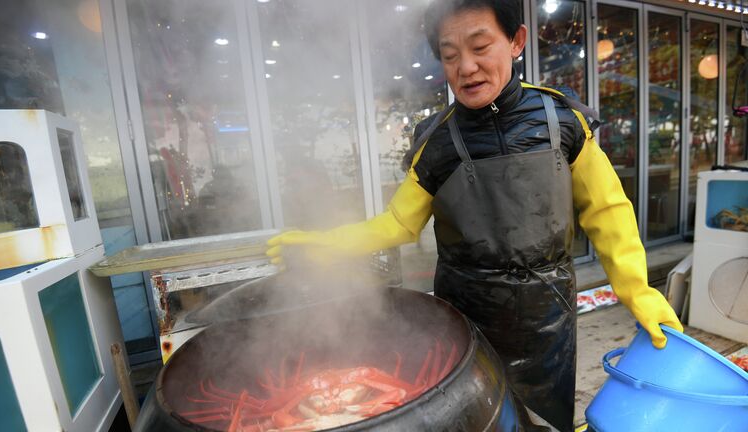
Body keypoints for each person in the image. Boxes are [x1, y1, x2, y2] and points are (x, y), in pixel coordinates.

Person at [267, 1, 682, 430]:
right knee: (475, 419)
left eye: (481, 46)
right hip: (465, 319)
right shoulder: (438, 143)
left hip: (548, 314)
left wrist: (640, 294)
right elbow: (397, 223)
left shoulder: (562, 122)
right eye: (450, 55)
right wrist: (323, 244)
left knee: (547, 418)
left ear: (516, 41)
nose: (466, 67)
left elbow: (608, 210)